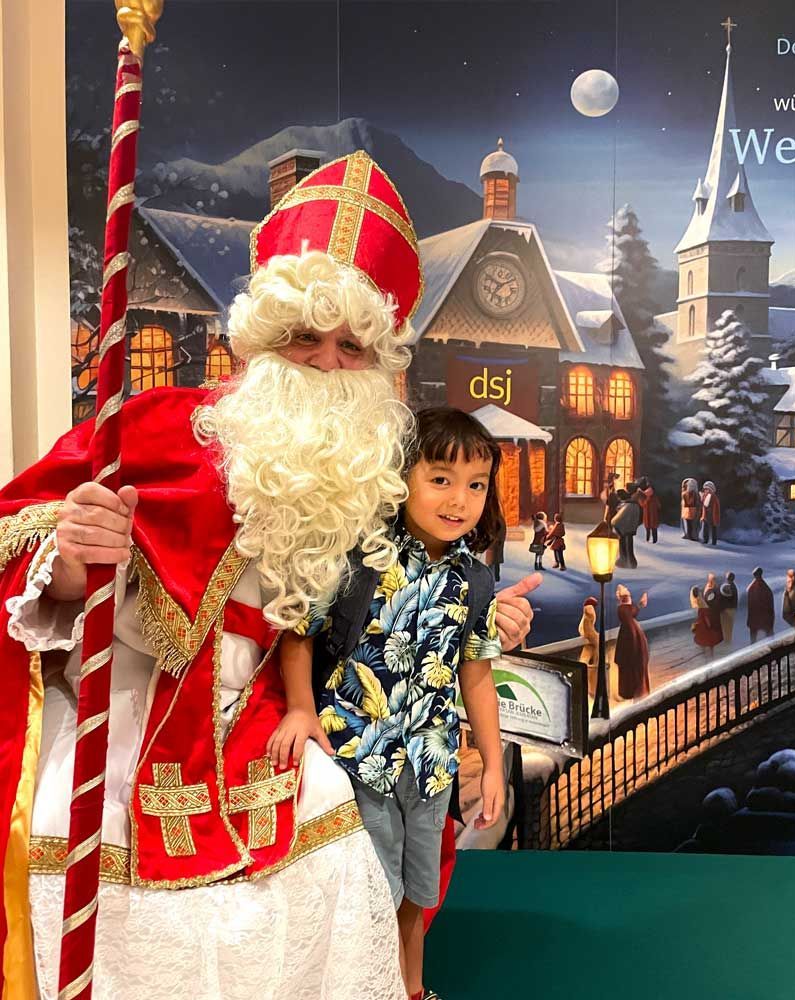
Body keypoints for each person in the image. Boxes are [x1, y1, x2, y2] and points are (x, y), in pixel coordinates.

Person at [0, 153, 536, 999]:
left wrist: (485, 617)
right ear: (260, 341)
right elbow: (20, 539)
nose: (326, 363)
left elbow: (415, 597)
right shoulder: (162, 427)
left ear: (381, 363)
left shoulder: (375, 476)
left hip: (283, 720)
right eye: (303, 338)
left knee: (333, 858)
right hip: (137, 715)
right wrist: (71, 565)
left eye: (352, 346)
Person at [272, 407, 506, 1000]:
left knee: (416, 894)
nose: (459, 499)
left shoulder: (475, 580)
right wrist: (300, 708)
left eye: (476, 484)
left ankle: (411, 988)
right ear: (401, 477)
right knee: (366, 890)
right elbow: (299, 631)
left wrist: (493, 762)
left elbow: (476, 673)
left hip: (430, 766)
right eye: (441, 479)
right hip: (356, 757)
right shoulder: (359, 558)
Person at [614, 585, 650, 700]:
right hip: (632, 648)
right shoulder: (624, 612)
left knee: (634, 670)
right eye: (627, 596)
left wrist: (640, 605)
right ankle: (637, 692)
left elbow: (633, 611)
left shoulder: (626, 614)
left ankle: (637, 692)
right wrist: (640, 604)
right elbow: (632, 611)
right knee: (633, 671)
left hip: (632, 647)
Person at [611, 488, 640, 569]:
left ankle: (625, 561)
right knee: (629, 546)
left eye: (618, 497)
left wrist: (613, 523)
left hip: (623, 529)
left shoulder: (627, 505)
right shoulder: (634, 504)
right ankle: (630, 561)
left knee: (624, 545)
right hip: (630, 529)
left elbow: (617, 520)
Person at [690, 586, 723, 657]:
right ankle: (711, 654)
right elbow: (705, 614)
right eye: (699, 591)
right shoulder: (701, 600)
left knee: (703, 637)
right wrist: (709, 623)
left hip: (701, 621)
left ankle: (705, 653)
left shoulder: (698, 600)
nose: (700, 591)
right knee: (710, 637)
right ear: (698, 592)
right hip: (704, 621)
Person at [578, 596, 600, 699]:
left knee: (586, 658)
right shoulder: (589, 610)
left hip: (589, 636)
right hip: (589, 634)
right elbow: (588, 625)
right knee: (596, 650)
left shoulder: (587, 612)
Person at [747, 567, 775, 644]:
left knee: (754, 637)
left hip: (757, 617)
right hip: (762, 617)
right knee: (767, 636)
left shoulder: (751, 588)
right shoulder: (766, 588)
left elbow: (749, 605)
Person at [638, 476, 660, 544]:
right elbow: (658, 505)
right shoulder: (647, 496)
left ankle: (651, 540)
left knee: (651, 528)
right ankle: (651, 540)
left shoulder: (647, 497)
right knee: (650, 528)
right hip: (650, 514)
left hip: (650, 514)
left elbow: (642, 504)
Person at [718, 571, 738, 645]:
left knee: (726, 626)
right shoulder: (733, 586)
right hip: (732, 609)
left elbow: (726, 598)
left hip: (728, 610)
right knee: (728, 626)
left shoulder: (729, 587)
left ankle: (727, 642)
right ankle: (728, 641)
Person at [487, 513, 507, 583]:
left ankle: (492, 578)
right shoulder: (499, 519)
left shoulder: (496, 519)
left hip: (494, 543)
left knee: (492, 562)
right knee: (494, 562)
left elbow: (498, 532)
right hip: (495, 543)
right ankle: (495, 576)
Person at [700, 481, 721, 545]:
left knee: (711, 528)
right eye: (705, 489)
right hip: (707, 514)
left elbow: (706, 504)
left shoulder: (711, 496)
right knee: (707, 528)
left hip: (710, 515)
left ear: (711, 489)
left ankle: (710, 541)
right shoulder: (706, 495)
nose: (706, 490)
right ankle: (707, 540)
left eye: (707, 489)